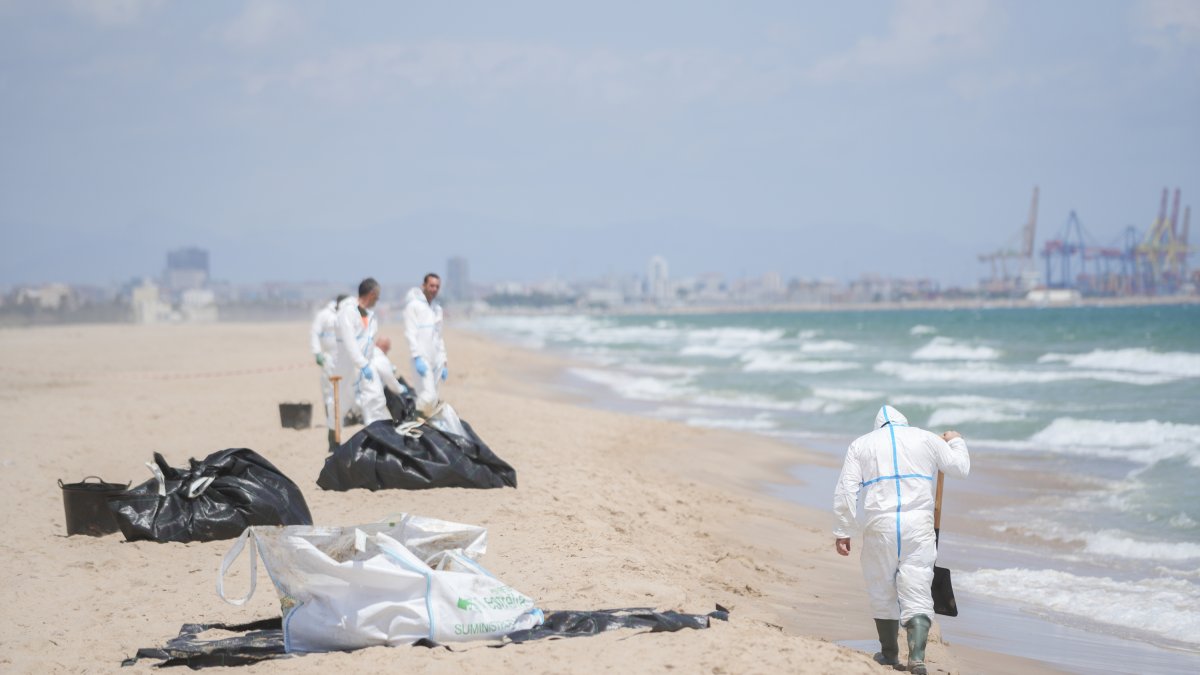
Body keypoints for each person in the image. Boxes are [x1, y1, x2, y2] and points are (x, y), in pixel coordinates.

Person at [833, 405, 970, 675]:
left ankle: (888, 653)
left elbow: (846, 489)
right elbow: (960, 468)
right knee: (918, 586)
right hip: (918, 524)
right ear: (904, 423)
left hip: (880, 524)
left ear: (877, 427)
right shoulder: (926, 438)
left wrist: (842, 530)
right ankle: (917, 658)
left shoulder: (861, 445)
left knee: (881, 587)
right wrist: (956, 440)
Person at [329, 278, 389, 450]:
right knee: (341, 404)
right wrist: (362, 364)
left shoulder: (371, 316)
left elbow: (369, 342)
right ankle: (334, 443)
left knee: (376, 399)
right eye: (377, 296)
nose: (378, 300)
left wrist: (370, 364)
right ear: (371, 294)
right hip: (346, 368)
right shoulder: (347, 313)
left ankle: (376, 441)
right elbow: (350, 343)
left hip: (366, 367)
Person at [402, 273, 448, 416]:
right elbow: (410, 333)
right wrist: (416, 357)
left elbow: (439, 337)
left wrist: (444, 361)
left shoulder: (437, 309)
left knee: (432, 399)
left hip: (436, 360)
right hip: (421, 359)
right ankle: (412, 419)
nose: (434, 289)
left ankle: (423, 428)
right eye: (431, 285)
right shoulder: (413, 306)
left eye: (437, 286)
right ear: (424, 286)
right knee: (428, 396)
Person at [309, 294, 348, 431]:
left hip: (344, 358)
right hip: (328, 358)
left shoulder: (348, 315)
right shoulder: (324, 315)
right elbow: (314, 333)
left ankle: (343, 417)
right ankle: (330, 418)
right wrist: (317, 353)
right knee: (328, 390)